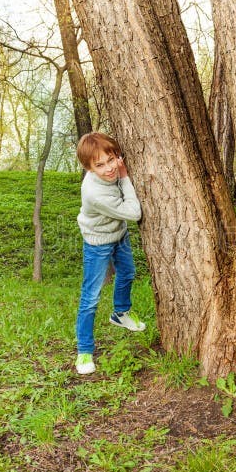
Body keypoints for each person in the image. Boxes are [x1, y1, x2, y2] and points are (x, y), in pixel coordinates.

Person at [74, 132, 145, 375]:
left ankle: (121, 313)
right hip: (98, 243)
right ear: (89, 168)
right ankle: (84, 351)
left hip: (118, 234)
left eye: (112, 159)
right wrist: (124, 177)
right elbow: (134, 212)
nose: (109, 169)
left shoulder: (109, 169)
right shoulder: (95, 193)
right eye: (100, 165)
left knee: (127, 273)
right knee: (91, 297)